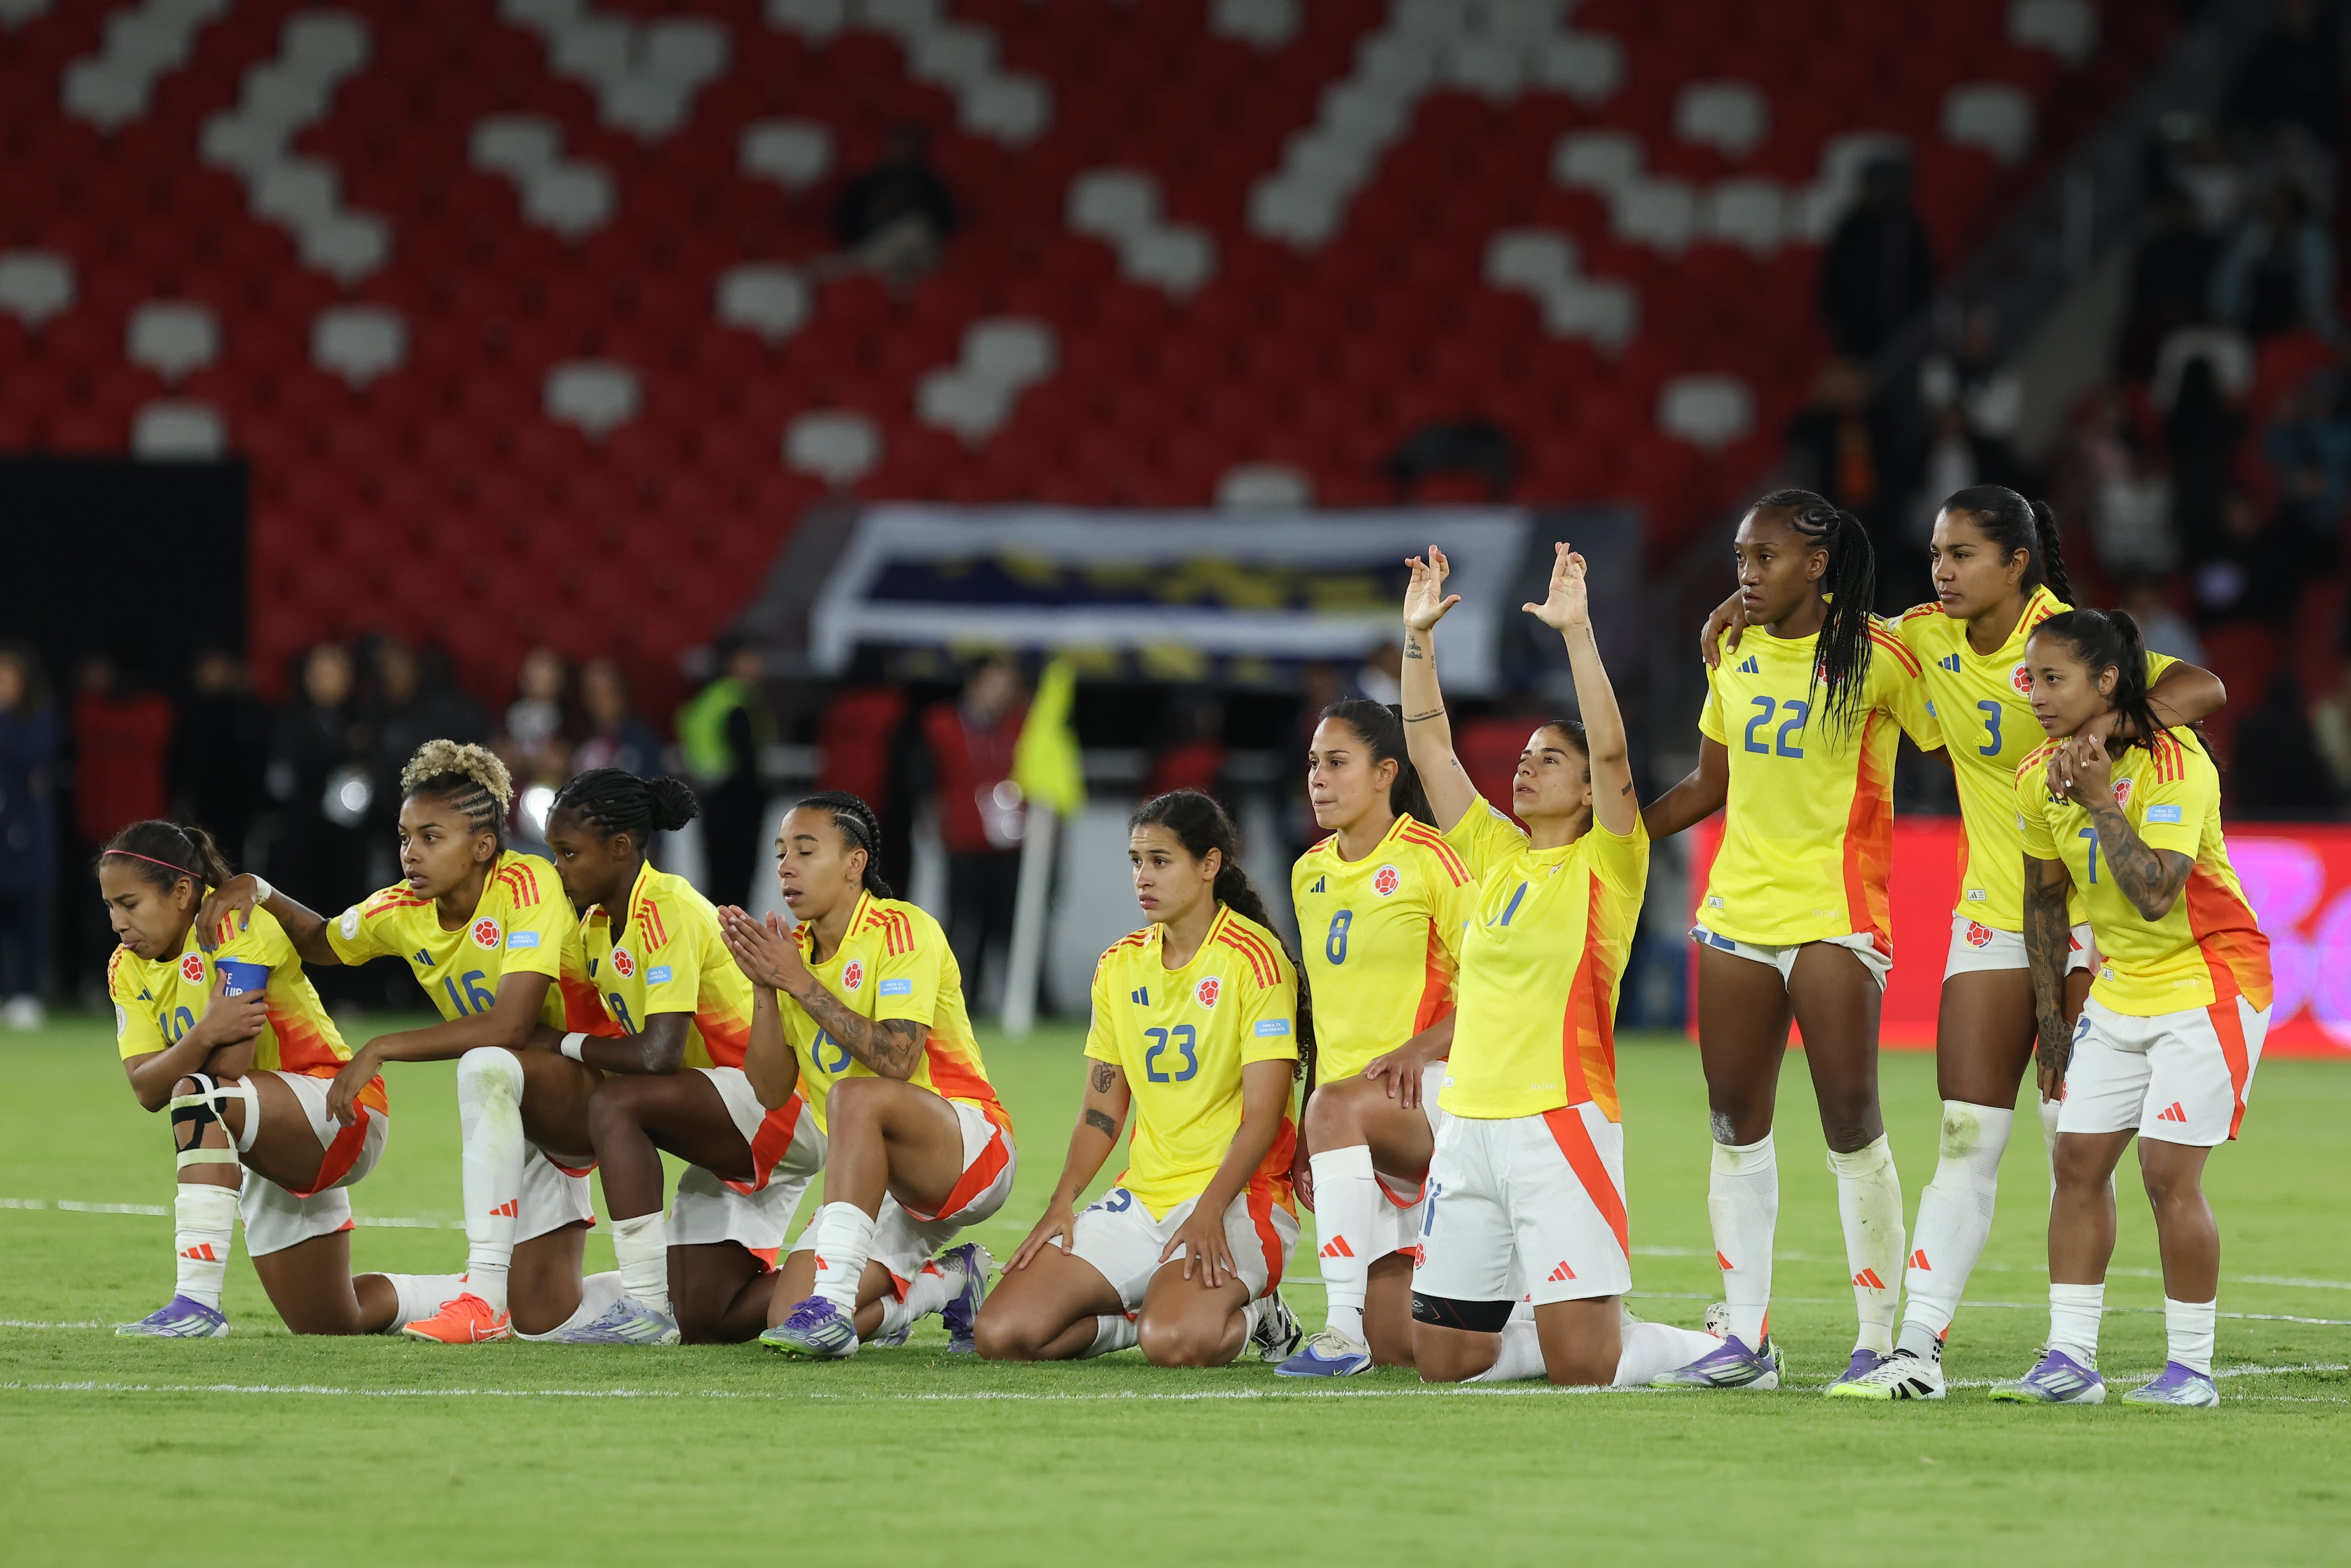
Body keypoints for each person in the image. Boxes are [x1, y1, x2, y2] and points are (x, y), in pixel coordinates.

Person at [1712, 485, 2226, 1399]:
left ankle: (2076, 1350)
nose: (1941, 570)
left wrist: (2096, 734)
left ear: (2016, 564)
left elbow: (2201, 687)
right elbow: (1822, 622)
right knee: (1963, 1134)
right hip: (1997, 908)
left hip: (2093, 922)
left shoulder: (2071, 639)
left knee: (2072, 1137)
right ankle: (1913, 1350)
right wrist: (1738, 605)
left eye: (1961, 554)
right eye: (1936, 552)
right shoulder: (1922, 636)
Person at [1363, 541, 1722, 1388]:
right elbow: (1429, 753)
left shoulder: (1611, 861)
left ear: (1591, 794)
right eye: (1522, 757)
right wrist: (1418, 638)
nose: (1526, 767)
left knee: (1586, 1370)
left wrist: (1578, 633)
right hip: (1470, 1131)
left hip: (1561, 1122)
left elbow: (1611, 753)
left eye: (1547, 759)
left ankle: (1724, 1352)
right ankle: (1553, 1327)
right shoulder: (1494, 852)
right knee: (1444, 1362)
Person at [1643, 491, 1937, 1392]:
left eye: (1763, 558)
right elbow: (1710, 782)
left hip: (1835, 916)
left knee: (1851, 1125)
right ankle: (1746, 1338)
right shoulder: (1732, 650)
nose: (1745, 574)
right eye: (1739, 559)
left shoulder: (1878, 655)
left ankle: (1878, 1338)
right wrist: (1612, 840)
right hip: (1735, 913)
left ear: (1816, 563)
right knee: (1735, 1126)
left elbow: (1949, 730)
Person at [198, 741, 623, 1343]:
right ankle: (654, 1294)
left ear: (482, 845)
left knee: (487, 1061)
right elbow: (321, 939)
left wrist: (379, 1048)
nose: (410, 853)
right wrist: (262, 890)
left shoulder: (527, 883)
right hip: (521, 1097)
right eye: (404, 836)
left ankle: (481, 1294)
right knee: (545, 1317)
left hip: (593, 1086)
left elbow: (511, 1025)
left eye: (431, 836)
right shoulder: (404, 907)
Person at [1994, 609, 2272, 1407]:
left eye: (2055, 680)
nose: (2038, 696)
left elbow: (2154, 894)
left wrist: (2098, 801)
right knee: (2075, 1164)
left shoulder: (2174, 761)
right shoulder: (2034, 775)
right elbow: (2044, 905)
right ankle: (2070, 1361)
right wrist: (2051, 1025)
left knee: (2165, 1174)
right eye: (2032, 680)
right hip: (2120, 989)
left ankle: (2191, 1373)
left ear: (2107, 683)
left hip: (2209, 979)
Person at [972, 788, 1304, 1368]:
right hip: (1145, 1200)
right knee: (1003, 1333)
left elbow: (1264, 1116)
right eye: (1135, 861)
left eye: (1160, 860)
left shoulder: (1254, 960)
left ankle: (1259, 1311)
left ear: (1209, 865)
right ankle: (1139, 1318)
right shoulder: (1119, 965)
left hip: (1238, 1199)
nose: (1142, 877)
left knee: (1180, 1342)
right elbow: (1101, 1112)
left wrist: (1208, 1209)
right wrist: (1063, 1199)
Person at [102, 819, 454, 1337]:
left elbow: (228, 1068)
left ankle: (196, 1302)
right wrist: (204, 1034)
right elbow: (144, 1088)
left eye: (128, 904)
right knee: (331, 1321)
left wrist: (194, 1050)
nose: (116, 921)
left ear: (181, 892)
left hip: (338, 1109)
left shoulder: (236, 925)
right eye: (109, 906)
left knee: (200, 1093)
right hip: (265, 1129)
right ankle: (485, 1292)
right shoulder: (124, 967)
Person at [718, 791, 1010, 1359]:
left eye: (806, 850)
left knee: (854, 1095)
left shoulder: (901, 930)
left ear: (854, 864)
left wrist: (800, 983)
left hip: (966, 1151)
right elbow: (770, 1089)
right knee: (784, 1314)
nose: (785, 866)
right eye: (780, 852)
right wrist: (765, 988)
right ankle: (950, 1280)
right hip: (873, 1176)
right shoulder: (792, 952)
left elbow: (899, 1059)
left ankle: (830, 1306)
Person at [544, 769, 827, 1345]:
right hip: (727, 1109)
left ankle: (643, 1308)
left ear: (620, 847)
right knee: (707, 1316)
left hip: (777, 1103)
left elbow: (657, 1054)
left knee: (616, 1103)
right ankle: (901, 1281)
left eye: (569, 852)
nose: (558, 868)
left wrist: (563, 1046)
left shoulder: (666, 907)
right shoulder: (597, 925)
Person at [1271, 698, 1474, 1376]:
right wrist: (1311, 1124)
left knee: (1337, 1103)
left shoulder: (1431, 859)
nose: (1318, 778)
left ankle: (1337, 1327)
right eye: (1312, 763)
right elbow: (1329, 1017)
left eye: (1336, 762)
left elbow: (1498, 992)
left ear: (1386, 771)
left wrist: (1421, 1047)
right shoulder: (1310, 873)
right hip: (1354, 1115)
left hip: (1436, 1095)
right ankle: (1534, 1330)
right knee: (1407, 1349)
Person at [923, 655, 1027, 1008]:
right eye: (996, 682)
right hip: (963, 840)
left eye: (1009, 684)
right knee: (962, 923)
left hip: (1011, 844)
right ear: (975, 683)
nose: (1004, 692)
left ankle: (1016, 998)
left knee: (1009, 923)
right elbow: (925, 780)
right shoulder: (943, 725)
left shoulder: (1021, 725)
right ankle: (950, 999)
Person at [677, 641, 773, 912]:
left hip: (713, 798)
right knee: (736, 884)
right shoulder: (738, 701)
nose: (758, 667)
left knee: (717, 881)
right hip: (735, 804)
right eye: (751, 659)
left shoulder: (710, 697)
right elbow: (746, 760)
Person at [1818, 157, 1935, 361]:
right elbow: (1834, 278)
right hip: (1855, 336)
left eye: (1877, 185)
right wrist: (1837, 322)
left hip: (1901, 334)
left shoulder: (1907, 227)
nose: (1872, 191)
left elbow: (1922, 279)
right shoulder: (1851, 227)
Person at [829, 122, 957, 292]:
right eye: (897, 145)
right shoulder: (867, 182)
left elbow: (943, 223)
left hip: (918, 254)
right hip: (874, 246)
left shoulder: (930, 184)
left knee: (916, 228)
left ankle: (850, 268)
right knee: (900, 284)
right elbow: (847, 221)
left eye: (907, 146)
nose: (901, 150)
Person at [2210, 184, 2342, 348]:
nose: (2277, 214)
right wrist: (2224, 316)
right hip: (2254, 316)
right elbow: (2230, 278)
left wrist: (2314, 320)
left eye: (2283, 209)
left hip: (2296, 316)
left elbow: (2317, 289)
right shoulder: (2253, 234)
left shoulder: (2311, 239)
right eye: (2272, 208)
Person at [0, 645, 56, 1027]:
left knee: (29, 917)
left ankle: (27, 994)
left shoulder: (37, 720)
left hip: (27, 836)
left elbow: (31, 761)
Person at [571, 657, 663, 778]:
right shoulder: (577, 741)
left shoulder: (642, 742)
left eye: (608, 692)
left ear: (621, 693)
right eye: (594, 693)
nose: (600, 701)